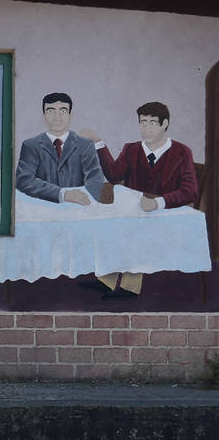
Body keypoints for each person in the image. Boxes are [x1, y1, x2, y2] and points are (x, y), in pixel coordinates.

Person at [82, 101, 200, 300]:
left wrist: (159, 202)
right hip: (134, 211)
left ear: (165, 124)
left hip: (165, 213)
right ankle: (105, 281)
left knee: (133, 229)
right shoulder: (132, 149)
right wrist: (98, 143)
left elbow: (190, 191)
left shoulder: (182, 152)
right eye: (143, 122)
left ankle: (130, 287)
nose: (146, 127)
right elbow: (113, 175)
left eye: (152, 122)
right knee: (109, 223)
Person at [16, 92, 106, 205]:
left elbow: (96, 180)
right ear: (43, 115)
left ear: (70, 114)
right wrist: (62, 194)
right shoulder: (31, 145)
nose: (57, 117)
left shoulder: (85, 145)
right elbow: (24, 181)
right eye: (50, 111)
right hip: (43, 209)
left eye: (63, 111)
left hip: (79, 209)